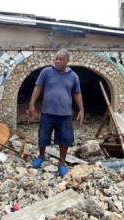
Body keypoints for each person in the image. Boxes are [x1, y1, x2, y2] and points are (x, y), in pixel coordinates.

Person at [27, 49, 84, 177]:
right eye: (56, 58)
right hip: (47, 112)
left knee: (64, 140)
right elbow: (38, 87)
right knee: (43, 136)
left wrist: (81, 109)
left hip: (65, 114)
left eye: (60, 59)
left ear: (67, 61)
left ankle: (62, 163)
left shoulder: (73, 76)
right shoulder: (46, 72)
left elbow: (77, 93)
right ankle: (41, 156)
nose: (57, 61)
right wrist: (32, 104)